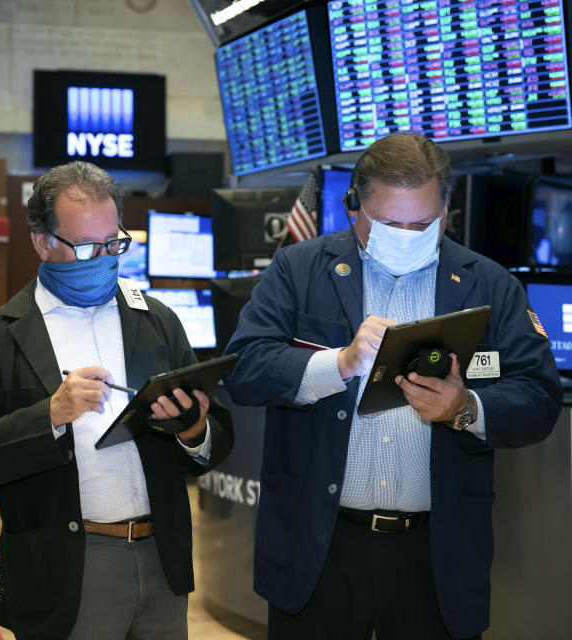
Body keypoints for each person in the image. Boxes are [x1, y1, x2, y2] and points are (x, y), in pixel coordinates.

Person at [224, 133, 563, 640]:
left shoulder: (490, 284)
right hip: (321, 547)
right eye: (390, 224)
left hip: (434, 554)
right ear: (355, 208)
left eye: (422, 224)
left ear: (446, 210)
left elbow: (539, 395)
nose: (407, 234)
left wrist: (465, 408)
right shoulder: (300, 268)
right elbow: (245, 368)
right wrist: (337, 364)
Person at [0, 161, 234, 640]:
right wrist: (50, 415)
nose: (103, 258)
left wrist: (192, 430)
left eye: (113, 243)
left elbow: (215, 435)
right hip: (68, 563)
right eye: (85, 247)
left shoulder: (156, 320)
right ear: (42, 241)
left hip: (163, 559)